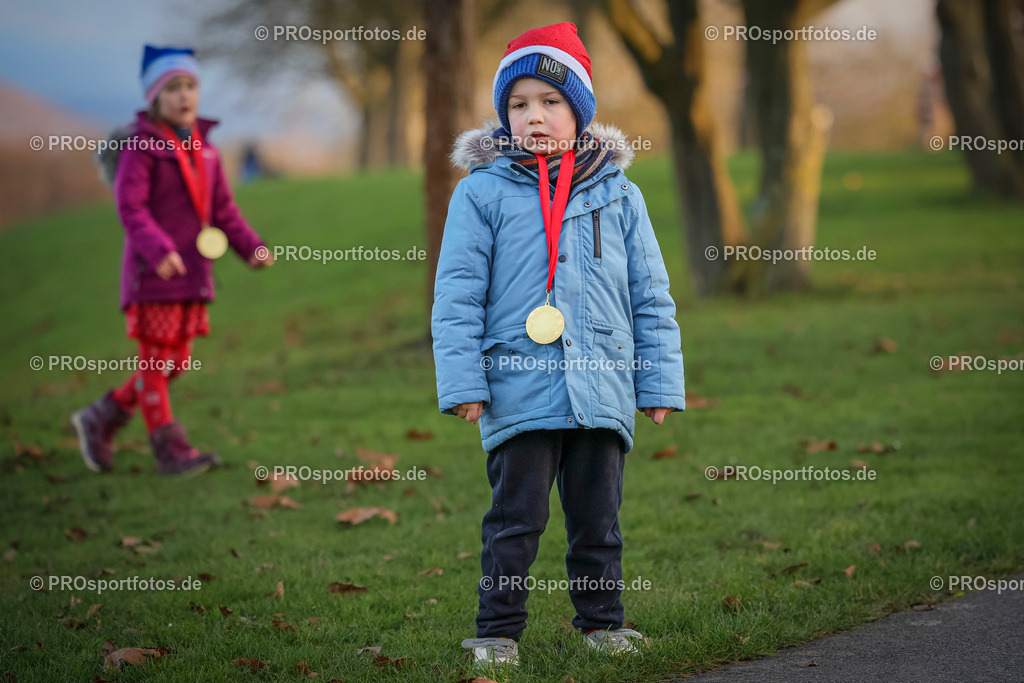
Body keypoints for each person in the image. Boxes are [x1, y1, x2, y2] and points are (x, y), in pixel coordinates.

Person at [431, 23, 685, 669]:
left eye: (550, 101)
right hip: (518, 383)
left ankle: (603, 623)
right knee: (515, 522)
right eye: (519, 104)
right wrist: (463, 383)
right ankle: (497, 632)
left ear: (580, 111)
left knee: (599, 521)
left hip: (602, 386)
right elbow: (456, 295)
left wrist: (656, 383)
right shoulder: (481, 192)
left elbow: (651, 296)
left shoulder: (619, 193)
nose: (534, 116)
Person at [72, 45, 273, 476]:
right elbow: (132, 208)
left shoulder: (207, 150)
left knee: (174, 362)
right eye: (173, 88)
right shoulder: (141, 148)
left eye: (190, 86)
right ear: (154, 98)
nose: (184, 96)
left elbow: (224, 211)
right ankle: (169, 447)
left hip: (192, 273)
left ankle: (101, 416)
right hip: (154, 273)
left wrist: (251, 247)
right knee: (155, 361)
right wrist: (158, 249)